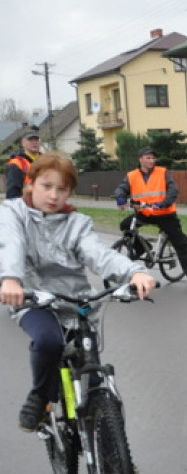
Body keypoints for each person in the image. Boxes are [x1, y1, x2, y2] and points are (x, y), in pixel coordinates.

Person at [0, 153, 156, 431]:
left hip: (75, 301)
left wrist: (135, 272)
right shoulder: (13, 213)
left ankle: (111, 453)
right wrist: (11, 280)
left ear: (70, 192)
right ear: (30, 184)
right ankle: (41, 396)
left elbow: (98, 254)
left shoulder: (76, 223)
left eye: (61, 189)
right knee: (49, 342)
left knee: (94, 379)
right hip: (34, 299)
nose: (53, 195)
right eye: (46, 186)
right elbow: (11, 244)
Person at [114, 147, 187, 289]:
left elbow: (173, 190)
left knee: (181, 243)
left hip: (164, 213)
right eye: (148, 158)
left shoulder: (163, 172)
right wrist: (120, 198)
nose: (151, 160)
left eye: (153, 158)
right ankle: (143, 247)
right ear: (140, 159)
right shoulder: (132, 175)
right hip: (145, 213)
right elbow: (122, 188)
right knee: (125, 225)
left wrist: (163, 203)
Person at [6, 129, 42, 199]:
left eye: (36, 139)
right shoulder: (16, 163)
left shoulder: (47, 161)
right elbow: (13, 193)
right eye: (30, 140)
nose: (34, 142)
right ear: (23, 143)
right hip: (25, 206)